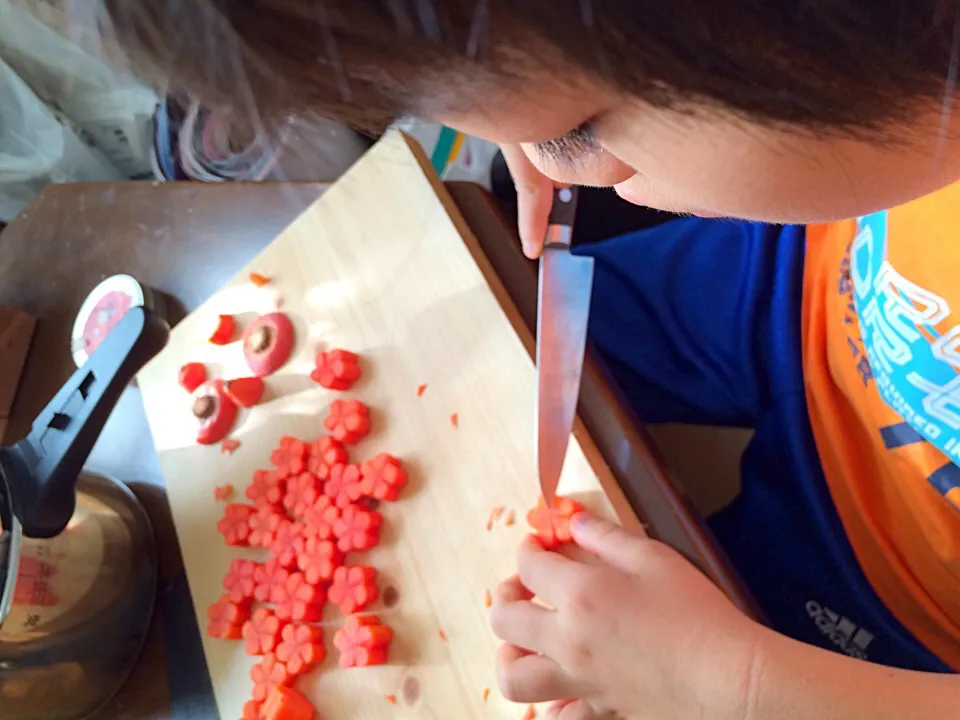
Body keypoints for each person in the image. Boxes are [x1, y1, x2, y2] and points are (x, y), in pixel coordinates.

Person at [94, 2, 960, 718]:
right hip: (809, 278)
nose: (555, 165)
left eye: (578, 130)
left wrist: (729, 686)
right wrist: (526, 78)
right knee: (488, 346)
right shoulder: (886, 118)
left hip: (900, 591)